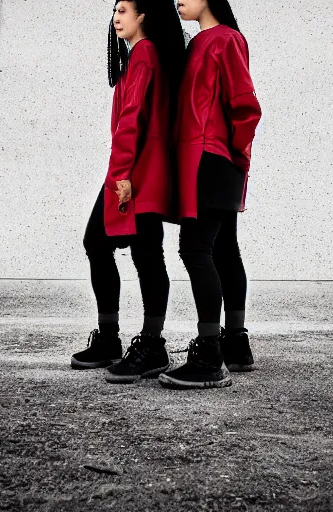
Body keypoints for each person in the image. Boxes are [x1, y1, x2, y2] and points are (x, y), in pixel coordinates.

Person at [71, 0, 185, 384]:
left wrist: (119, 175)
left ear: (143, 16)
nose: (116, 17)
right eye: (114, 11)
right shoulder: (142, 55)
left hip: (135, 173)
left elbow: (130, 120)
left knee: (113, 246)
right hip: (143, 170)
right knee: (142, 251)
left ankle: (134, 342)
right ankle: (127, 341)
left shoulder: (145, 53)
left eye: (124, 10)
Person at [158, 0, 262, 389]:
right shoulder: (199, 42)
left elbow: (245, 104)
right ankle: (235, 344)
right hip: (211, 158)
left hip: (212, 158)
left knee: (194, 250)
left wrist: (234, 155)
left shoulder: (225, 39)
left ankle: (208, 353)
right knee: (223, 249)